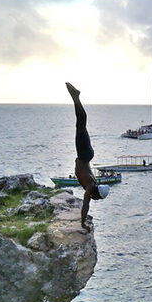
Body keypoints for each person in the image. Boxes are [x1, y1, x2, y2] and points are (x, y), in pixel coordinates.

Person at [66, 82, 109, 230]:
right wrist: (83, 224)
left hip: (87, 155)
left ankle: (75, 97)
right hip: (84, 154)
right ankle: (75, 97)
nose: (95, 199)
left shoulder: (93, 184)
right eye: (97, 198)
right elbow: (85, 206)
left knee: (81, 122)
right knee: (81, 123)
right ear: (96, 193)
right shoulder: (90, 187)